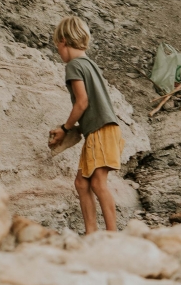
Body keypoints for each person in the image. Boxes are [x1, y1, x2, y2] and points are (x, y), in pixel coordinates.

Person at [48, 16, 124, 235]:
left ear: (63, 41)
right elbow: (96, 105)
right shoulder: (89, 64)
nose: (59, 52)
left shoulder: (73, 66)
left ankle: (112, 235)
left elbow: (82, 102)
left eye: (57, 47)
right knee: (82, 183)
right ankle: (91, 232)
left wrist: (65, 128)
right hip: (104, 130)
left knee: (98, 183)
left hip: (101, 131)